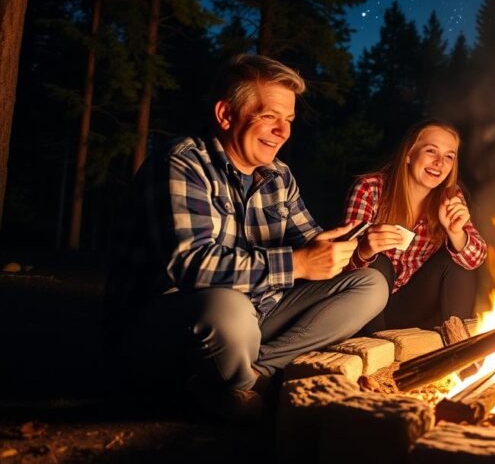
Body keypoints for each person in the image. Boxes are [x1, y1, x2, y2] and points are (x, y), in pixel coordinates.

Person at [104, 55, 389, 421]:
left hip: (253, 318)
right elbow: (190, 266)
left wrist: (355, 249)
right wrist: (299, 262)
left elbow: (314, 246)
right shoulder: (181, 162)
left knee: (370, 285)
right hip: (166, 325)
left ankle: (254, 376)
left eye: (288, 120)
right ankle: (236, 394)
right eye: (269, 116)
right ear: (225, 115)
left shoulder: (279, 176)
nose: (283, 132)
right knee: (228, 308)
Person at [344, 120, 486, 330]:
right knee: (378, 263)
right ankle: (376, 354)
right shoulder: (371, 189)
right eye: (431, 151)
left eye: (449, 156)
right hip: (366, 306)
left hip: (411, 305)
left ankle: (460, 352)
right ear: (409, 154)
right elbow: (341, 267)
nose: (440, 162)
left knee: (458, 263)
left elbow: (477, 258)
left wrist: (456, 233)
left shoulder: (450, 197)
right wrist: (365, 249)